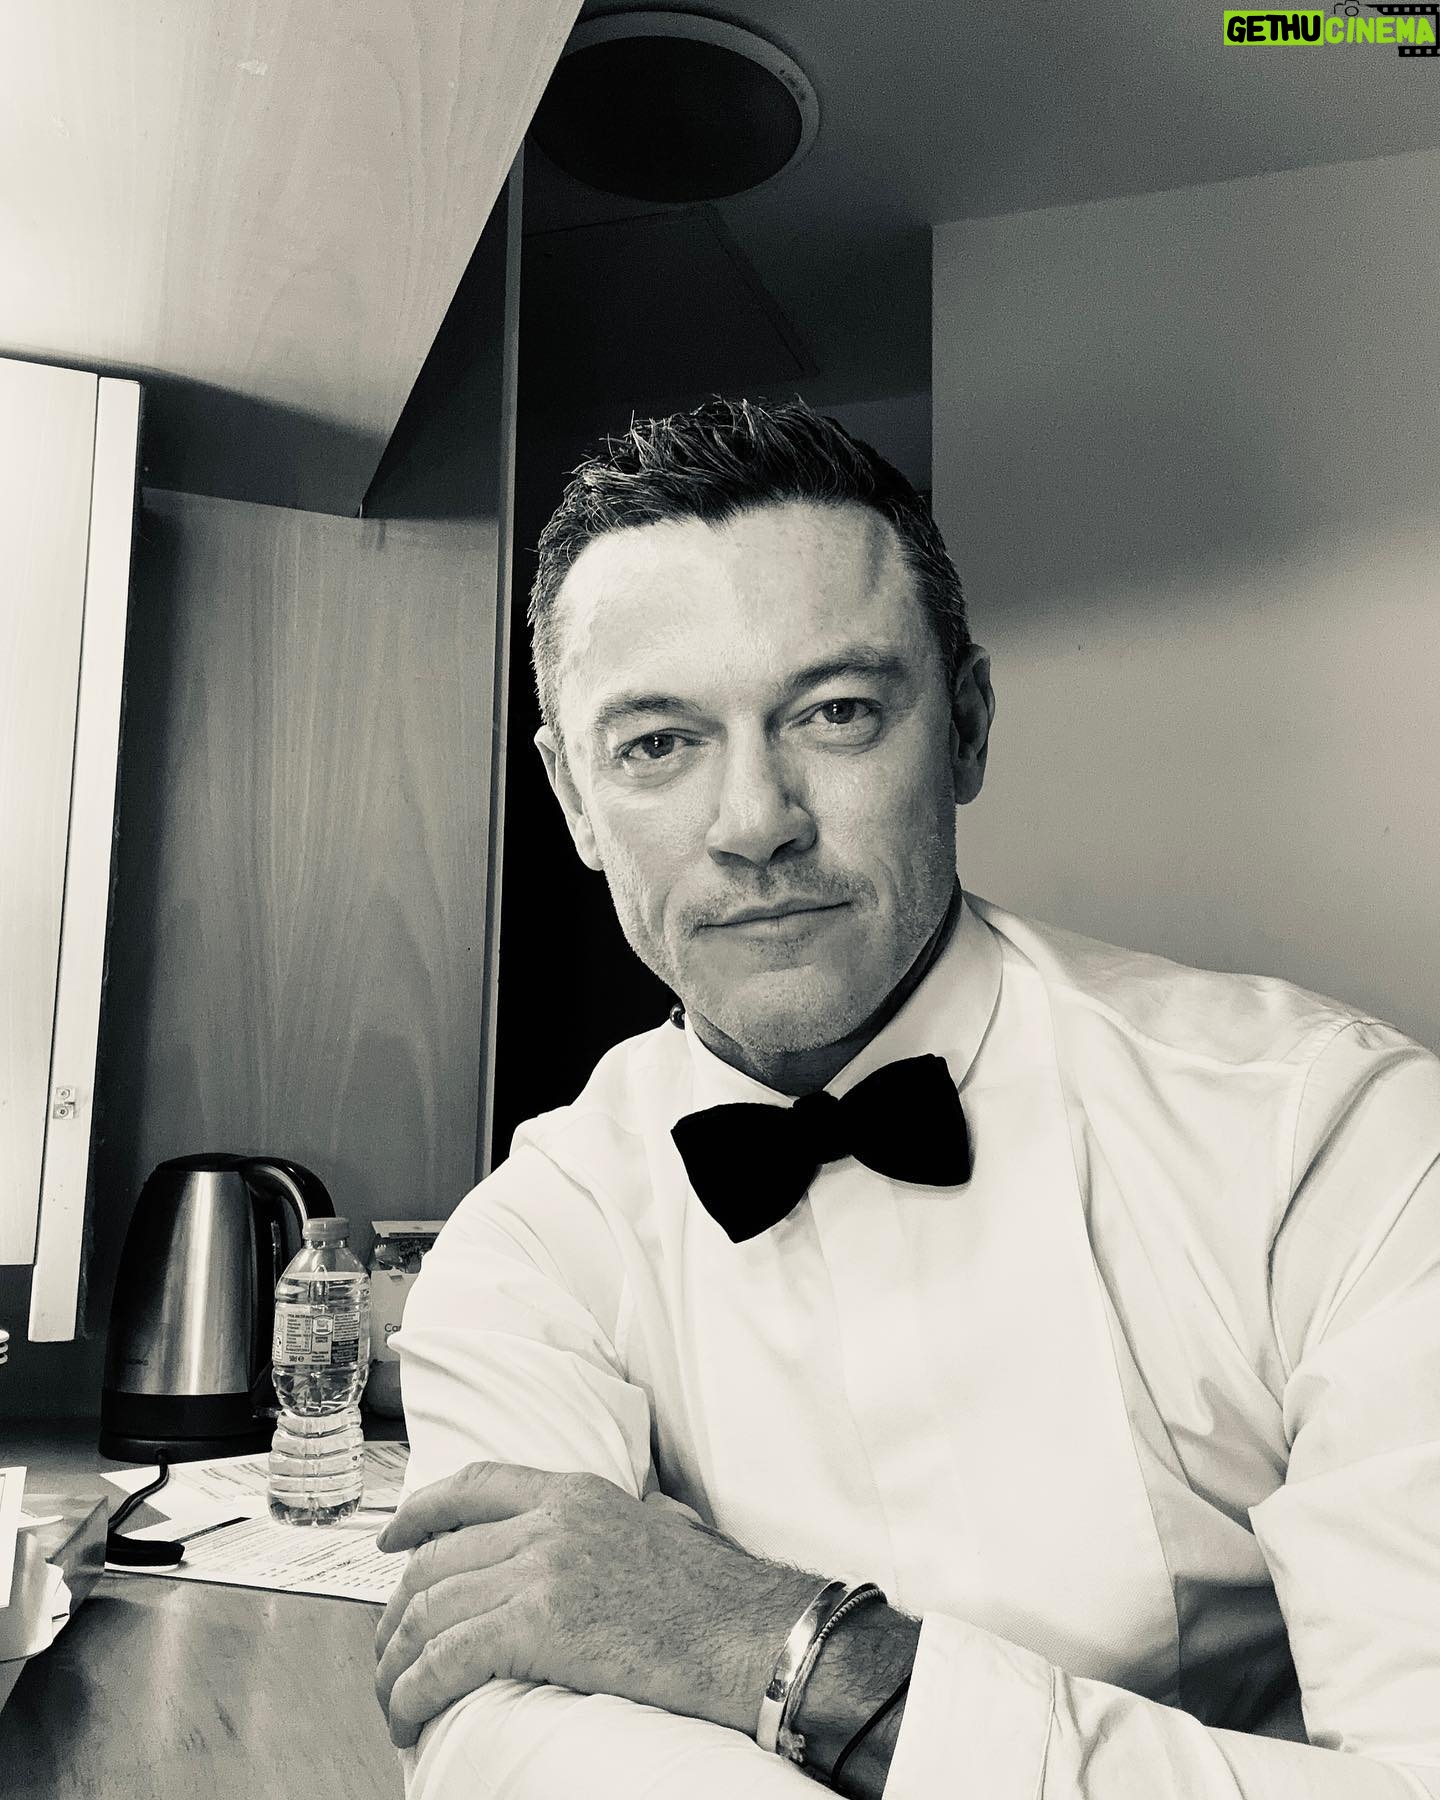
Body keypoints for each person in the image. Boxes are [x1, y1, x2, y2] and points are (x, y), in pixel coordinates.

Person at [373, 398, 1440, 1799]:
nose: (755, 823)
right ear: (573, 799)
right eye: (658, 744)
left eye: (836, 713)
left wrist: (784, 1649)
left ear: (968, 728)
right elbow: (505, 1740)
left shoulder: (1336, 1141)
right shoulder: (529, 1241)